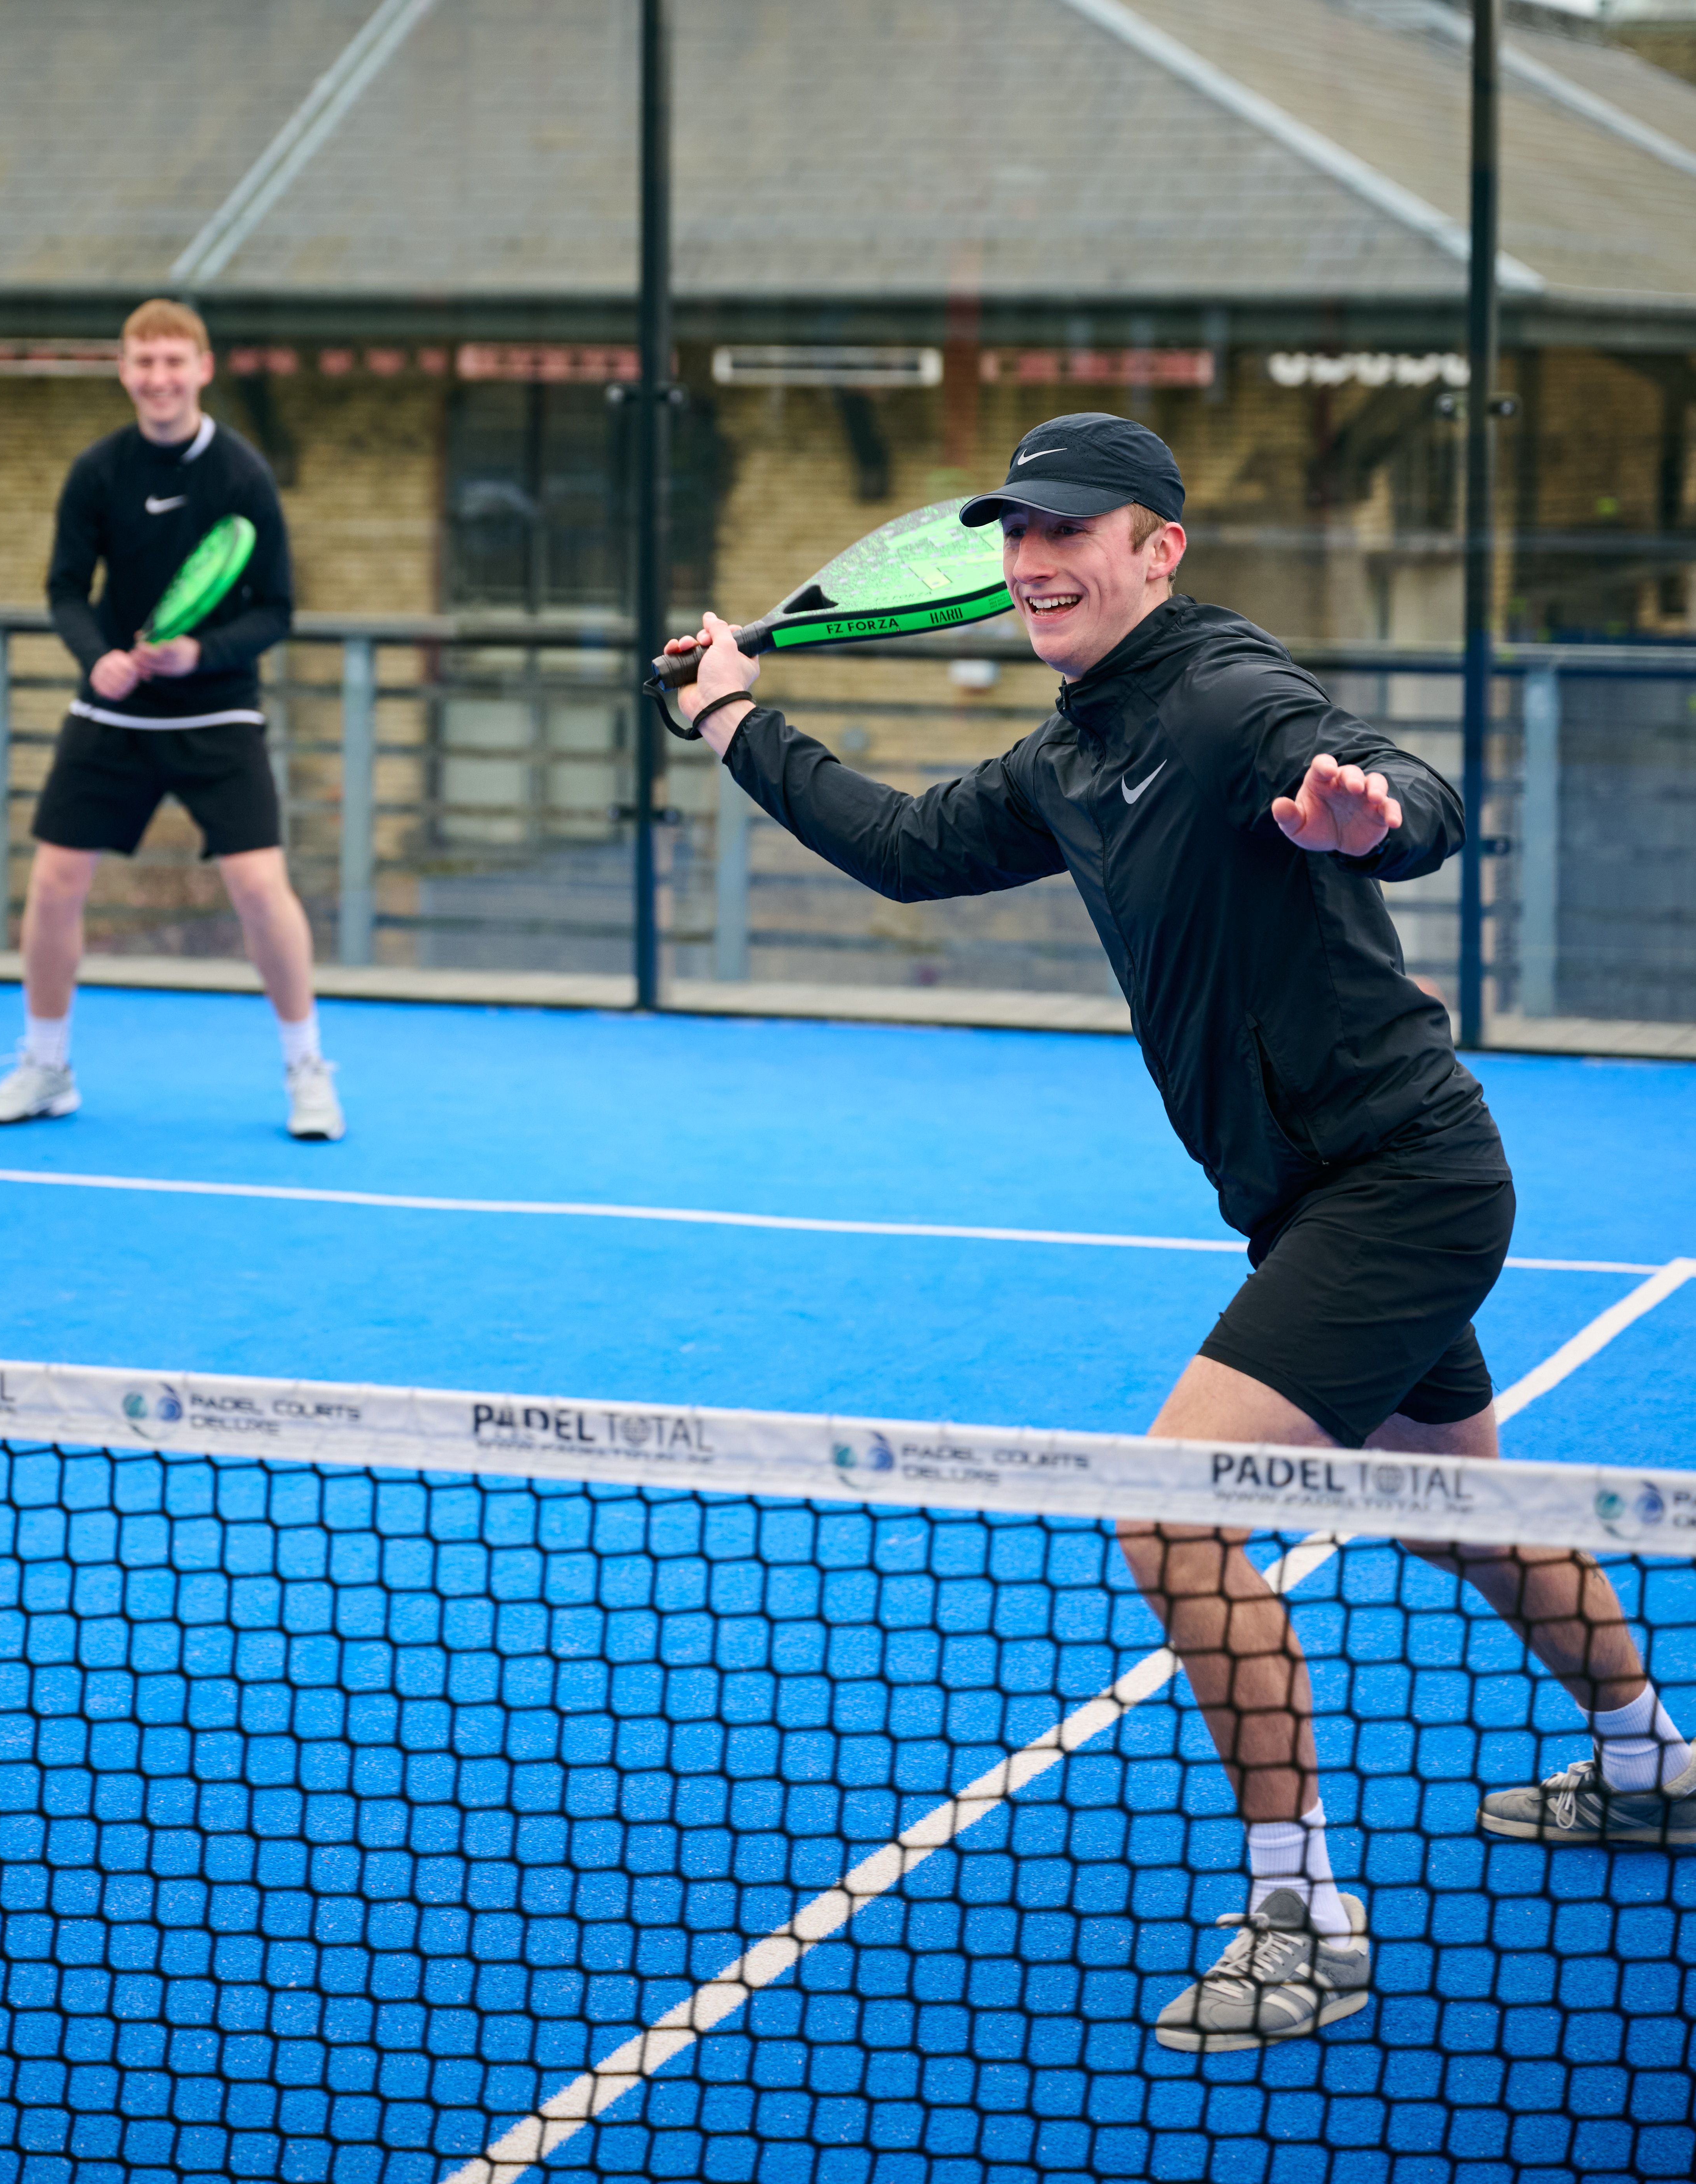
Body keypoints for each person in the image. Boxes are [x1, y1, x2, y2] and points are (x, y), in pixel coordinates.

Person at [665, 409, 1692, 2050]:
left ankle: (1302, 1921)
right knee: (1456, 1512)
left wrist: (1373, 821)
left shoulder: (1223, 695)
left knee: (1171, 1514)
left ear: (1159, 549)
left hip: (1398, 1183)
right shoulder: (1072, 753)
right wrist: (735, 719)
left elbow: (1404, 785)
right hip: (1311, 1197)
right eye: (1018, 531)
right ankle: (1654, 1765)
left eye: (1069, 530)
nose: (1032, 559)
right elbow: (909, 850)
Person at [0, 297, 344, 1143]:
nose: (160, 378)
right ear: (124, 371)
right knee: (54, 884)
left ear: (202, 369)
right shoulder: (97, 472)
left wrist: (199, 653)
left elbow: (277, 610)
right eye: (145, 362)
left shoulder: (243, 475)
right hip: (113, 712)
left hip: (220, 713)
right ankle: (46, 1066)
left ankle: (307, 1070)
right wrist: (96, 655)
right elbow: (66, 590)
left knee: (261, 890)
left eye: (175, 362)